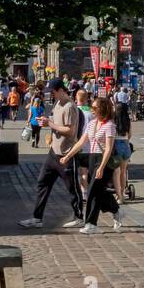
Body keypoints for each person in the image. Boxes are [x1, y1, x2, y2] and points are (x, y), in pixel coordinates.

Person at [19, 79, 83, 229]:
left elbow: (70, 131)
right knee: (43, 182)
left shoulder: (69, 107)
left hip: (66, 154)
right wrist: (47, 121)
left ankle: (79, 216)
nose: (51, 95)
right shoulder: (57, 104)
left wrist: (50, 124)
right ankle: (37, 218)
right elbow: (55, 121)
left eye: (53, 92)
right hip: (53, 152)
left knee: (72, 188)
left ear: (61, 90)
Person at [60, 94, 123, 234]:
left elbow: (108, 149)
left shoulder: (110, 126)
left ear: (102, 109)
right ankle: (116, 210)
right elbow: (82, 142)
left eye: (94, 107)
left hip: (104, 161)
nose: (92, 109)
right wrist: (68, 155)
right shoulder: (92, 124)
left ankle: (91, 224)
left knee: (93, 192)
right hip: (92, 159)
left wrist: (101, 167)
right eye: (92, 107)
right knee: (99, 192)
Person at [114, 94, 133, 200]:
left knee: (116, 172)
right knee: (123, 172)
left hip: (116, 145)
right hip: (126, 145)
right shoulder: (128, 121)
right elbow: (130, 135)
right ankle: (122, 193)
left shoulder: (113, 121)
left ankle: (118, 194)